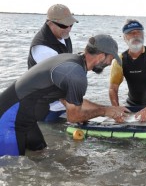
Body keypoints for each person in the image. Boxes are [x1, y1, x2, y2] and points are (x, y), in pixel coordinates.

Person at [0, 34, 130, 156]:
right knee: (11, 168)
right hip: (9, 121)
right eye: (111, 59)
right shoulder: (75, 74)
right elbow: (73, 116)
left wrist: (110, 109)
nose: (109, 64)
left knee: (41, 154)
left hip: (25, 119)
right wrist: (104, 111)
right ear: (101, 56)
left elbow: (70, 101)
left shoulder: (74, 63)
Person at [109, 19, 146, 122]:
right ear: (124, 38)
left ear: (143, 35)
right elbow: (113, 89)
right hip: (132, 105)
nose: (135, 35)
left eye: (138, 32)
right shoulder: (120, 60)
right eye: (131, 33)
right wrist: (116, 109)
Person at [28, 4, 78, 122]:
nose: (68, 29)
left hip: (61, 103)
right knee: (52, 137)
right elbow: (58, 82)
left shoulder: (63, 34)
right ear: (49, 23)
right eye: (64, 25)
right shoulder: (42, 48)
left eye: (71, 24)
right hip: (46, 108)